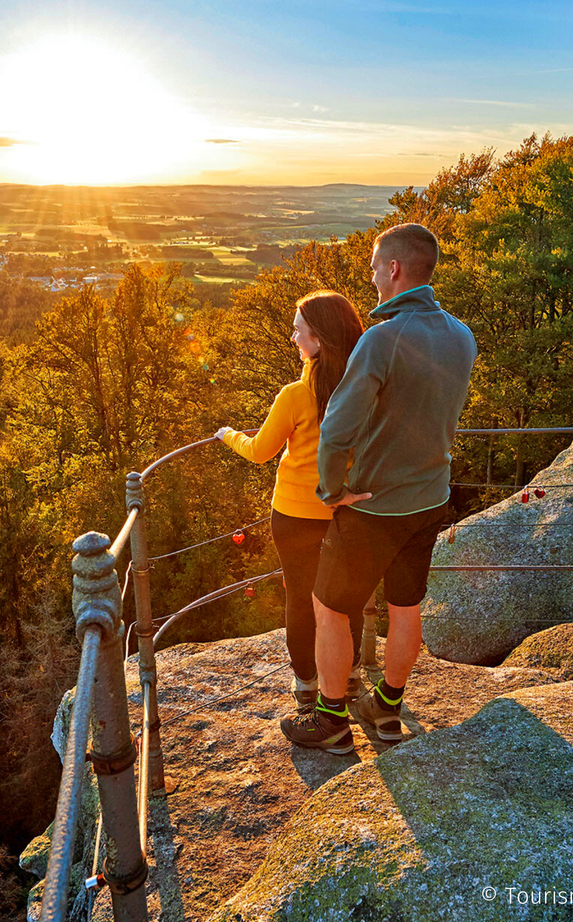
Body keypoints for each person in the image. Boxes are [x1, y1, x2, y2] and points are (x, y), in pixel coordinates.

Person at [281, 223, 477, 754]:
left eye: (372, 267)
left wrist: (332, 491)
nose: (370, 277)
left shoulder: (383, 337)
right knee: (405, 608)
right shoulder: (462, 336)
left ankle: (330, 722)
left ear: (393, 269)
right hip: (430, 498)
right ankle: (385, 712)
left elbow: (338, 428)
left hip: (373, 507)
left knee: (328, 607)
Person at [215, 290, 369, 708]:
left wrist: (226, 434)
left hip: (295, 517)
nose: (293, 338)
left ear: (318, 338)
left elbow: (260, 451)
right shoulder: (365, 389)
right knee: (343, 597)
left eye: (298, 330)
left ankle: (306, 685)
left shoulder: (295, 396)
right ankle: (350, 677)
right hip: (347, 512)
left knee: (300, 599)